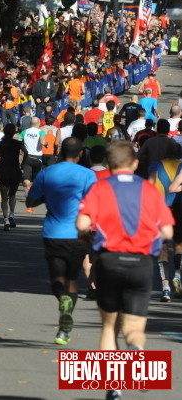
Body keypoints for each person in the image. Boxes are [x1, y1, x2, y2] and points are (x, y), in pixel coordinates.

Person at [76, 141, 173, 400]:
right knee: (133, 326)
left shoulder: (100, 188)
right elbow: (167, 231)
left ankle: (114, 388)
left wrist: (86, 237)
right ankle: (136, 348)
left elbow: (82, 222)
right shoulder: (149, 190)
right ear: (135, 163)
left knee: (109, 327)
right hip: (141, 264)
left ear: (107, 165)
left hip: (109, 261)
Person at [26, 137, 97, 346]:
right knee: (72, 280)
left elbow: (31, 201)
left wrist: (46, 197)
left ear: (60, 152)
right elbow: (94, 204)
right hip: (79, 234)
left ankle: (62, 302)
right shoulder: (88, 175)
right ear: (81, 154)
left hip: (53, 234)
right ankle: (64, 328)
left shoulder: (47, 173)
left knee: (57, 279)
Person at [149, 141, 182, 302]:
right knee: (178, 244)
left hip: (161, 209)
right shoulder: (181, 166)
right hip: (179, 207)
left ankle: (165, 286)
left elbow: (149, 185)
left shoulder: (156, 165)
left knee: (163, 246)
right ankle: (178, 275)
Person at [0, 124, 23, 231]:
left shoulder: (0, 144)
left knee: (4, 197)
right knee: (12, 194)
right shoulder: (18, 144)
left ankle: (6, 219)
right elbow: (26, 152)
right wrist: (23, 163)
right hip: (15, 170)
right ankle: (12, 214)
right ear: (14, 133)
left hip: (4, 171)